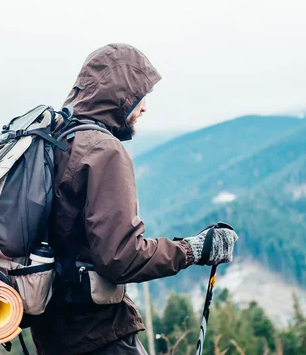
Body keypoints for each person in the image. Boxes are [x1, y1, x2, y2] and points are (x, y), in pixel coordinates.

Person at [30, 44, 238, 354]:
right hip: (98, 334)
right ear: (120, 98)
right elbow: (120, 258)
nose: (143, 108)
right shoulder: (104, 151)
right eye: (140, 98)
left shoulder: (58, 139)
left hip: (53, 330)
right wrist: (192, 250)